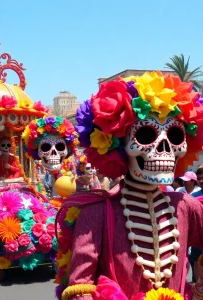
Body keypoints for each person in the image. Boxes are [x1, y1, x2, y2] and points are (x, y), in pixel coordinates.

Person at [56, 72, 203, 299]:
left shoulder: (185, 206)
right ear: (119, 146)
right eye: (145, 135)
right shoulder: (96, 214)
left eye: (174, 137)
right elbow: (79, 288)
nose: (164, 150)